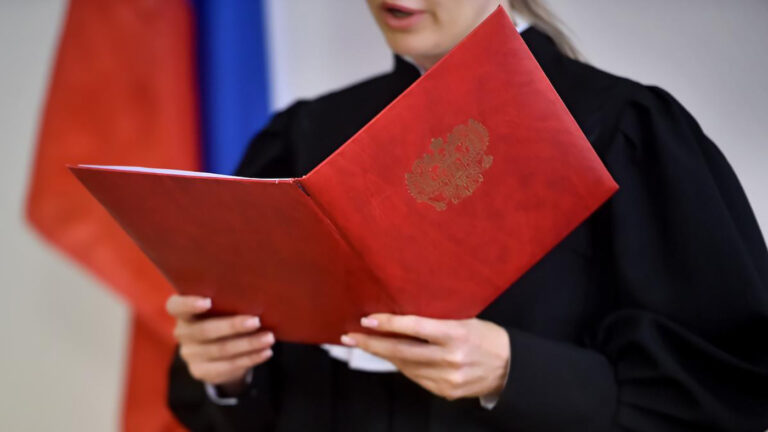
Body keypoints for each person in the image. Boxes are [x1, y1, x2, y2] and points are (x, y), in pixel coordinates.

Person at [165, 1, 768, 431]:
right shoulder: (305, 137)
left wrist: (513, 371)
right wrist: (225, 376)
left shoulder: (621, 130)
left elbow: (726, 389)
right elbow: (256, 401)